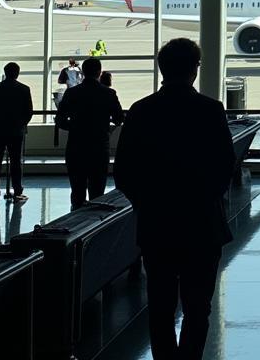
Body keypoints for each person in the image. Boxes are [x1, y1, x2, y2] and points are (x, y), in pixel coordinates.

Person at [115, 38, 236, 360]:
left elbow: (124, 172)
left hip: (158, 226)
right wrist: (203, 200)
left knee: (161, 308)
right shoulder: (211, 110)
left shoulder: (141, 111)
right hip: (202, 226)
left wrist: (147, 204)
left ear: (162, 69)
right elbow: (225, 167)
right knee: (198, 310)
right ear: (194, 70)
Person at [56, 56, 123, 207]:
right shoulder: (109, 93)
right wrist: (108, 128)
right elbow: (119, 118)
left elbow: (59, 120)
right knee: (97, 192)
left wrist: (73, 127)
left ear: (83, 72)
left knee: (77, 191)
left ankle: (75, 223)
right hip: (99, 147)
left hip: (76, 146)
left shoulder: (72, 93)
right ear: (99, 72)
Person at [0, 61, 34, 204]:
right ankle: (17, 190)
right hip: (16, 131)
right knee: (16, 161)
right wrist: (21, 123)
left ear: (5, 73)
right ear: (17, 73)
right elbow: (29, 112)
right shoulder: (24, 89)